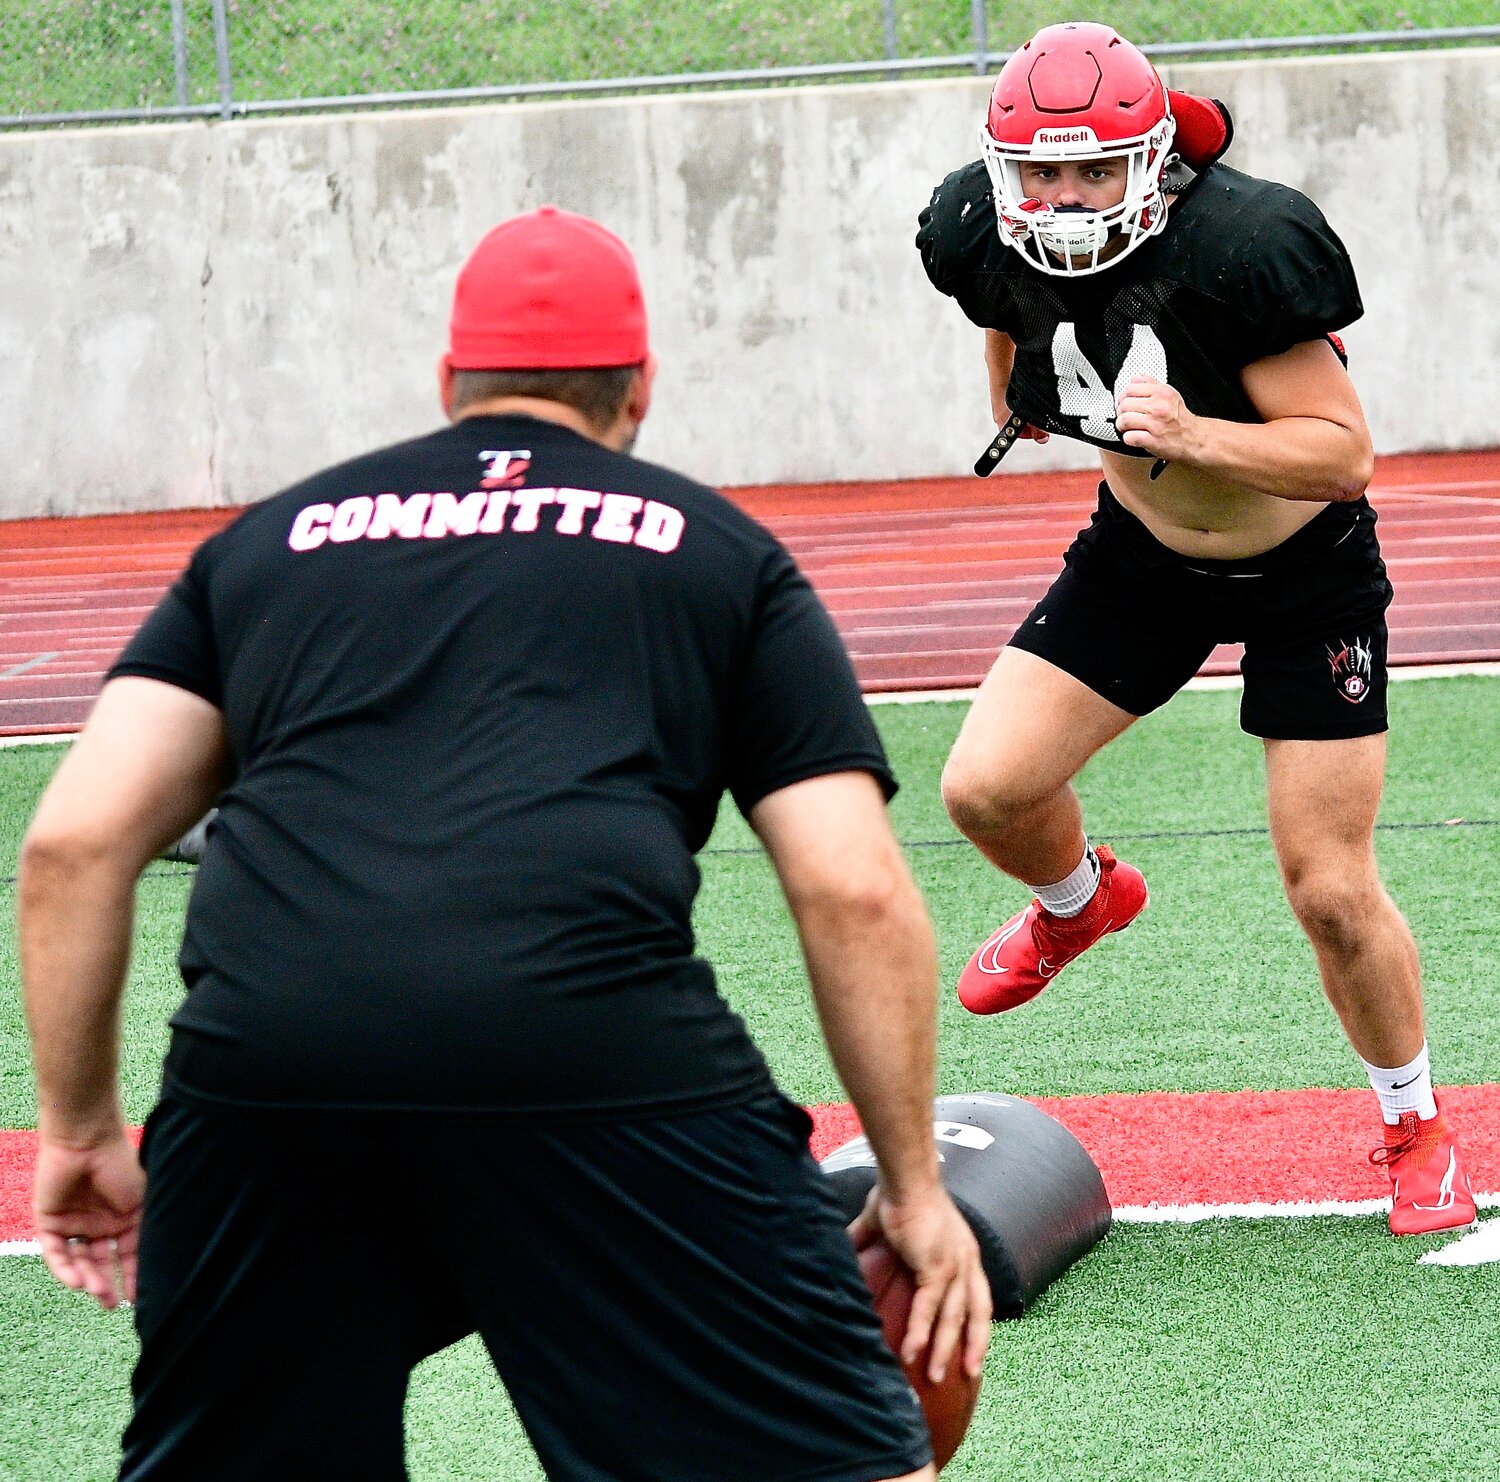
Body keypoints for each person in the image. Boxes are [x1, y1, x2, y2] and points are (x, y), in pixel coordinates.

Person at [20, 205, 990, 1480]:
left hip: (272, 1065)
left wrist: (82, 1129)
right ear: (640, 391)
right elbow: (852, 890)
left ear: (447, 386)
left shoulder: (266, 543)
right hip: (590, 1051)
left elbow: (74, 845)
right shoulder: (721, 556)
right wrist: (914, 1188)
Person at [916, 22, 1475, 1237]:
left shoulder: (1243, 243)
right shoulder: (975, 228)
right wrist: (1040, 400)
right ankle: (1079, 902)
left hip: (1306, 573)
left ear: (1153, 161)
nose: (1062, 199)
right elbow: (1010, 336)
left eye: (1092, 172)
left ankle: (1416, 1122)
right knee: (986, 791)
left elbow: (1344, 455)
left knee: (1328, 887)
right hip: (1144, 560)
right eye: (1040, 174)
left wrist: (1194, 438)